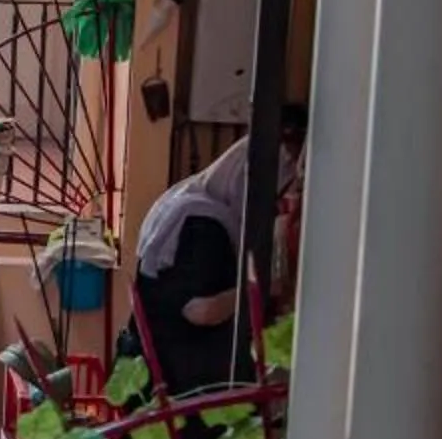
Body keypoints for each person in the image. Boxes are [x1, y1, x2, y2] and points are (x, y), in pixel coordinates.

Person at [123, 107, 307, 399]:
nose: (270, 208)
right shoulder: (203, 224)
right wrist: (258, 291)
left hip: (154, 369)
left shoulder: (188, 199)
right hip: (178, 385)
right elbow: (199, 310)